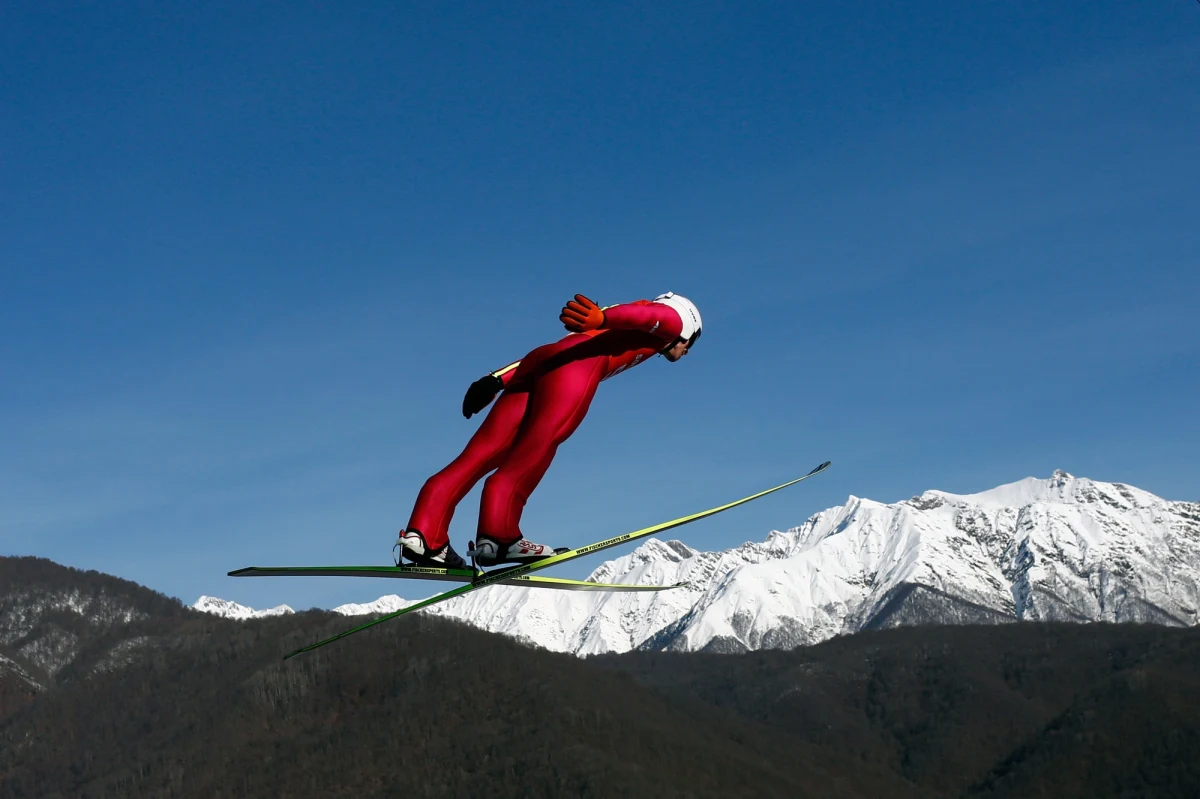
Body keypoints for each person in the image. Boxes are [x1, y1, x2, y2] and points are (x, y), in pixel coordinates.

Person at [395, 291, 702, 568]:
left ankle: (424, 534)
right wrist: (604, 316)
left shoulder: (638, 335)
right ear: (688, 326)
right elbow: (656, 316)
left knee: (478, 456)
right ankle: (498, 537)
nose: (687, 350)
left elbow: (560, 348)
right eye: (692, 341)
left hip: (543, 361)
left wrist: (496, 380)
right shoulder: (672, 322)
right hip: (577, 367)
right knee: (537, 448)